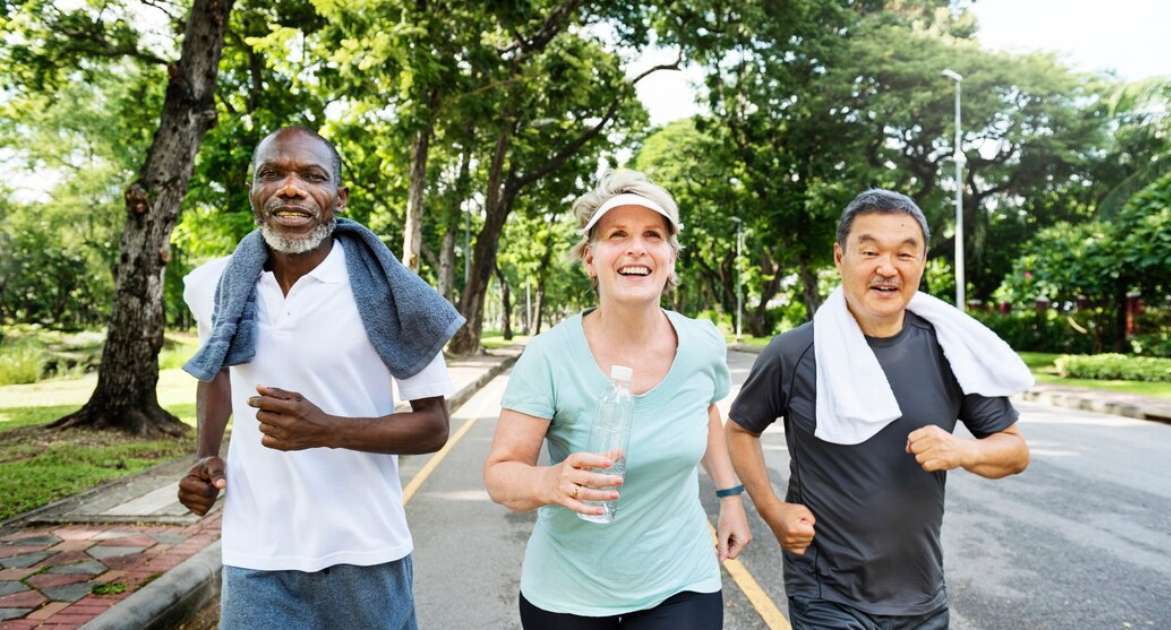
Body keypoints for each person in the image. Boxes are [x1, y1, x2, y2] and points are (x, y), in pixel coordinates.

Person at [175, 126, 464, 630]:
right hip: (256, 552)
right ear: (254, 193)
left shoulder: (392, 293)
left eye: (312, 176)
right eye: (272, 174)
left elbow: (434, 426)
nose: (291, 188)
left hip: (366, 550)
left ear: (337, 197)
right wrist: (205, 455)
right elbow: (216, 371)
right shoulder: (213, 284)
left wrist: (326, 429)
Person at [726, 189, 1031, 630]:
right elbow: (739, 430)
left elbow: (1015, 452)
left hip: (921, 593)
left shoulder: (950, 351)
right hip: (826, 593)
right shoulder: (795, 352)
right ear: (839, 256)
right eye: (869, 251)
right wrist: (772, 510)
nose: (887, 268)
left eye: (905, 254)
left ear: (923, 261)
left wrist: (963, 451)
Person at [484, 170, 751, 629]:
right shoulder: (549, 356)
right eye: (617, 235)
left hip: (680, 579)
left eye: (653, 235)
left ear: (670, 258)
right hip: (569, 591)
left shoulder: (702, 343)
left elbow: (704, 410)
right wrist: (550, 483)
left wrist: (730, 497)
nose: (636, 248)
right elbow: (501, 474)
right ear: (591, 258)